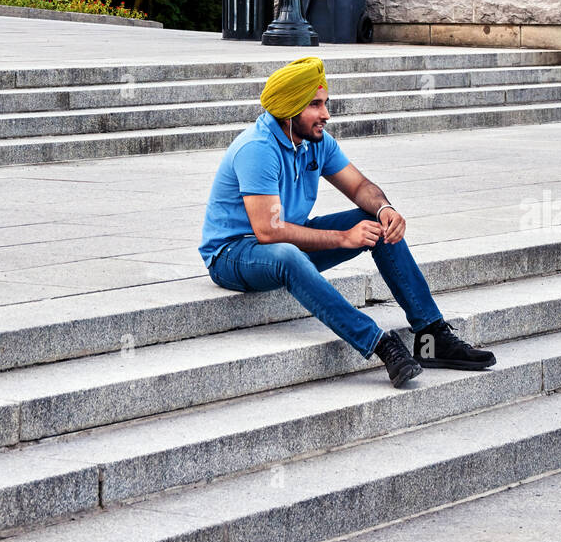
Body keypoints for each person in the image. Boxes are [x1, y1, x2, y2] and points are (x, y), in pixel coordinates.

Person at [200, 56, 496, 387]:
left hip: (286, 241)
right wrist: (343, 238)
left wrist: (385, 209)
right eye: (315, 105)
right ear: (289, 108)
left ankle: (431, 335)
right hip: (234, 254)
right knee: (287, 255)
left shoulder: (316, 142)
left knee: (373, 222)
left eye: (325, 103)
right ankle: (380, 344)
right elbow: (269, 230)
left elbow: (359, 187)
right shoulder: (257, 149)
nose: (325, 114)